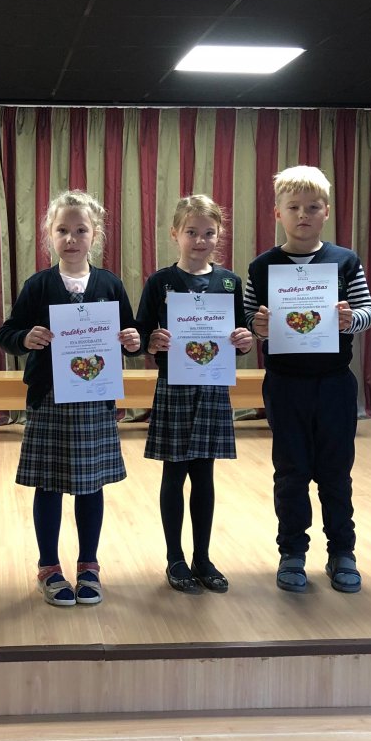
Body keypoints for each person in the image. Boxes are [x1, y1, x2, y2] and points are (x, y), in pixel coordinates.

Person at [0, 189, 142, 607]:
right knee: (49, 485)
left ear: (95, 235)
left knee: (91, 486)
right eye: (63, 230)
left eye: (81, 230)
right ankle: (48, 566)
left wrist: (133, 341)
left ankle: (88, 566)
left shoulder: (109, 283)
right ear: (50, 234)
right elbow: (7, 333)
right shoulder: (39, 285)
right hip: (49, 399)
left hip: (95, 400)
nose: (72, 238)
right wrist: (25, 338)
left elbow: (130, 333)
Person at [243, 166, 371, 594]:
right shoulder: (262, 266)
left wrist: (349, 320)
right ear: (277, 213)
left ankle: (342, 552)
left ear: (326, 212)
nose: (303, 214)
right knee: (291, 472)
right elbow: (248, 321)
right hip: (285, 383)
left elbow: (368, 312)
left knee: (336, 473)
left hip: (334, 382)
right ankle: (292, 553)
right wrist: (258, 327)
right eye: (294, 207)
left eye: (313, 207)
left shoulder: (345, 261)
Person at [135, 195, 252, 594]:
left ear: (219, 235)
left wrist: (244, 340)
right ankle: (175, 558)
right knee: (174, 473)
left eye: (208, 233)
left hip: (214, 386)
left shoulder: (229, 282)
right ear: (175, 234)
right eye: (191, 232)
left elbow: (239, 336)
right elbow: (140, 335)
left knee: (204, 475)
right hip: (175, 386)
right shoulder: (160, 282)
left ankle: (202, 557)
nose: (200, 241)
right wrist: (152, 342)